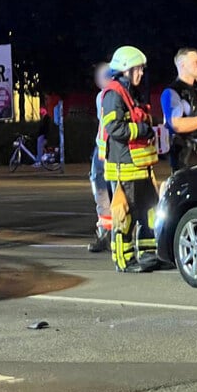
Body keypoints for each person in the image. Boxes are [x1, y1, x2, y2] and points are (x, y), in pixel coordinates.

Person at [101, 46, 159, 273]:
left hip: (141, 166)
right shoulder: (114, 94)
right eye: (138, 69)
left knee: (150, 212)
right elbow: (114, 128)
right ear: (125, 69)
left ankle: (148, 253)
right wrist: (142, 129)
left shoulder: (130, 93)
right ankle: (124, 260)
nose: (141, 73)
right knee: (126, 215)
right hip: (125, 167)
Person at [160, 48, 197, 172]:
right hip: (184, 160)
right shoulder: (172, 92)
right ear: (182, 65)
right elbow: (176, 124)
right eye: (196, 62)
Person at [89, 62, 113, 253]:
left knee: (104, 192)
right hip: (105, 149)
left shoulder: (104, 95)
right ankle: (107, 232)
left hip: (106, 150)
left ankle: (107, 234)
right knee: (104, 192)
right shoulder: (105, 96)